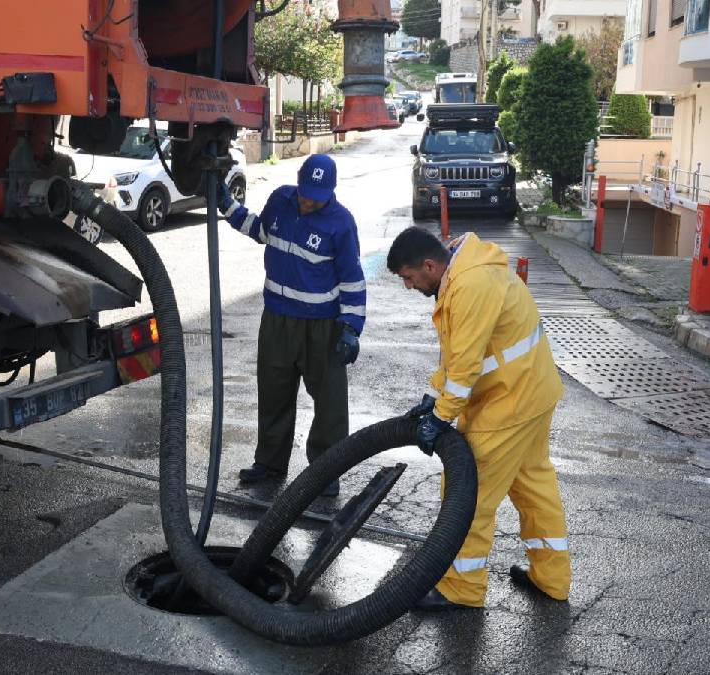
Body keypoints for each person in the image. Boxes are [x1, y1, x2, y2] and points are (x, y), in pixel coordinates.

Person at [387, 226, 571, 610]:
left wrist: (440, 416)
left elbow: (467, 363)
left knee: (467, 494)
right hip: (531, 390)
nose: (408, 286)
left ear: (429, 265)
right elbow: (458, 353)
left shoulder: (470, 285)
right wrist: (434, 396)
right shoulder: (464, 268)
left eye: (409, 278)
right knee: (533, 486)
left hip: (508, 403)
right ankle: (552, 579)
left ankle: (462, 589)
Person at [217, 154, 366, 498]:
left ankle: (325, 473)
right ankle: (269, 464)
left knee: (330, 404)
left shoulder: (341, 224)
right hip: (277, 320)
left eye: (317, 195)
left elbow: (353, 280)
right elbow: (259, 230)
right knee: (273, 393)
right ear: (297, 183)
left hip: (322, 327)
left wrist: (351, 327)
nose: (309, 200)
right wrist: (227, 204)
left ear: (330, 191)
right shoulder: (281, 200)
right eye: (305, 191)